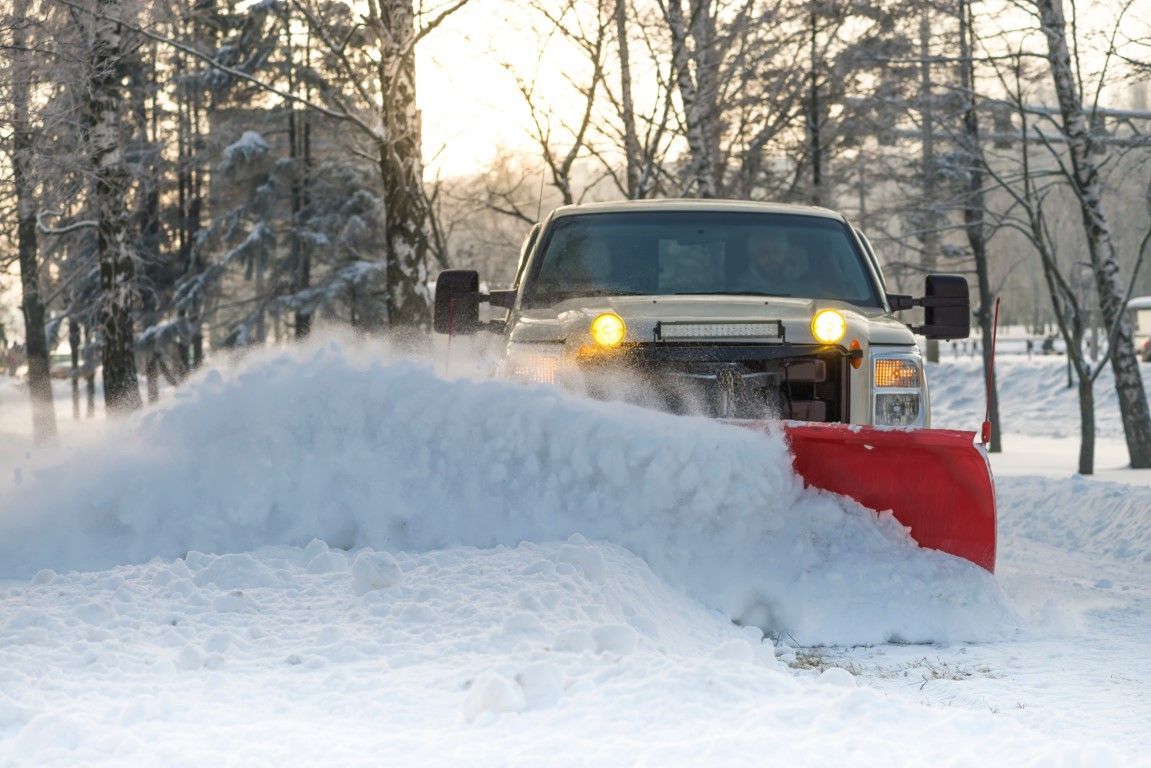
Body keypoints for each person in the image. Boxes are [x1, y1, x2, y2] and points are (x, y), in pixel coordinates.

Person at [736, 231, 808, 295]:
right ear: (753, 257)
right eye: (763, 253)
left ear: (786, 254)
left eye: (776, 251)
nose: (771, 257)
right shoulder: (740, 294)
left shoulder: (807, 287)